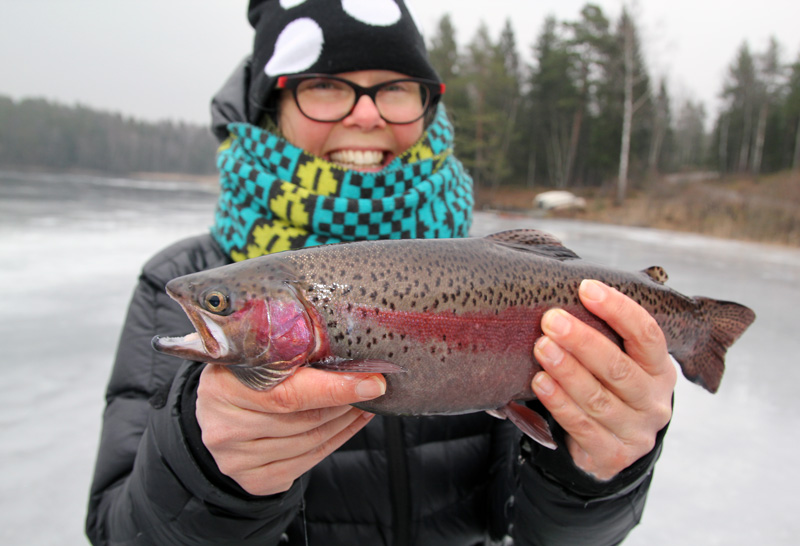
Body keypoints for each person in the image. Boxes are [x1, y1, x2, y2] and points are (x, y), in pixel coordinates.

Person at [86, 1, 676, 544]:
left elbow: (536, 532)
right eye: (324, 86)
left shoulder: (496, 280)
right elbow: (117, 531)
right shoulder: (178, 277)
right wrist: (201, 472)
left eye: (394, 89)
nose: (365, 115)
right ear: (272, 110)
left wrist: (598, 473)